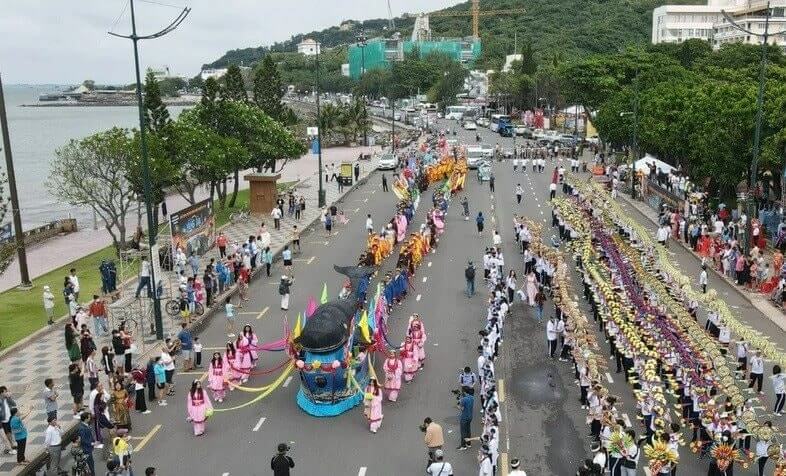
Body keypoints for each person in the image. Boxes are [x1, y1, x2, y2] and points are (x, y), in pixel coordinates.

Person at [0, 386, 18, 456]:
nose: (7, 393)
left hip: (9, 418)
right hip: (3, 420)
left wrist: (9, 397)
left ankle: (11, 444)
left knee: (10, 432)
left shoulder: (6, 399)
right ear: (1, 393)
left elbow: (14, 404)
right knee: (7, 433)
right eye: (5, 392)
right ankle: (10, 446)